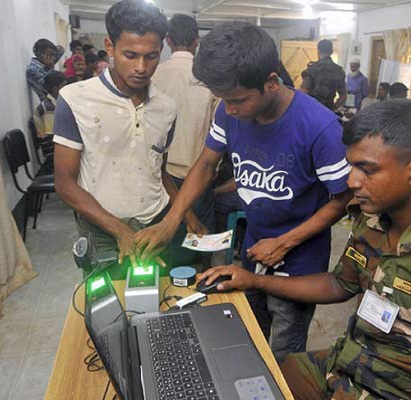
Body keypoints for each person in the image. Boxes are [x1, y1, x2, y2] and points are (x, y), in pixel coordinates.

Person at [199, 100, 411, 399]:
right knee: (257, 381)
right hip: (349, 367)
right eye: (351, 166)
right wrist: (255, 280)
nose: (352, 181)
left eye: (366, 169)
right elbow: (339, 284)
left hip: (401, 391)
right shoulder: (372, 220)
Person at [134, 21, 354, 363]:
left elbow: (344, 200)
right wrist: (172, 220)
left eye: (238, 100)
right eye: (223, 100)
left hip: (299, 263)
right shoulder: (229, 111)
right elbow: (206, 165)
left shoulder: (319, 127)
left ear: (271, 82)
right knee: (248, 336)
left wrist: (284, 242)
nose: (229, 110)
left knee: (284, 354)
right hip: (254, 249)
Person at [53, 0, 200, 272]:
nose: (141, 67)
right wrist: (120, 230)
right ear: (110, 46)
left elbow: (159, 170)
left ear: (162, 49)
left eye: (151, 56)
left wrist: (187, 216)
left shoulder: (166, 108)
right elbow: (64, 183)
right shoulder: (75, 99)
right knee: (106, 297)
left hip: (155, 227)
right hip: (102, 230)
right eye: (130, 55)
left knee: (157, 295)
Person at [152, 13, 218, 266]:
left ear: (167, 40)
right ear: (197, 41)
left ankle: (170, 285)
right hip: (199, 172)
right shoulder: (210, 79)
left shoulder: (152, 75)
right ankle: (203, 283)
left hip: (160, 175)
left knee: (167, 239)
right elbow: (218, 129)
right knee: (200, 238)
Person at [301, 39, 347, 110]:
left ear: (318, 51)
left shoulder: (312, 69)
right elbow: (343, 96)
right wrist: (334, 107)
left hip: (312, 109)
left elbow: (304, 92)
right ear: (331, 51)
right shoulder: (339, 71)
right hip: (328, 110)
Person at [33, 71, 66, 139]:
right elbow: (52, 136)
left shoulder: (55, 104)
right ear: (55, 89)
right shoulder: (48, 109)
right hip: (50, 144)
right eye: (63, 86)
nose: (66, 89)